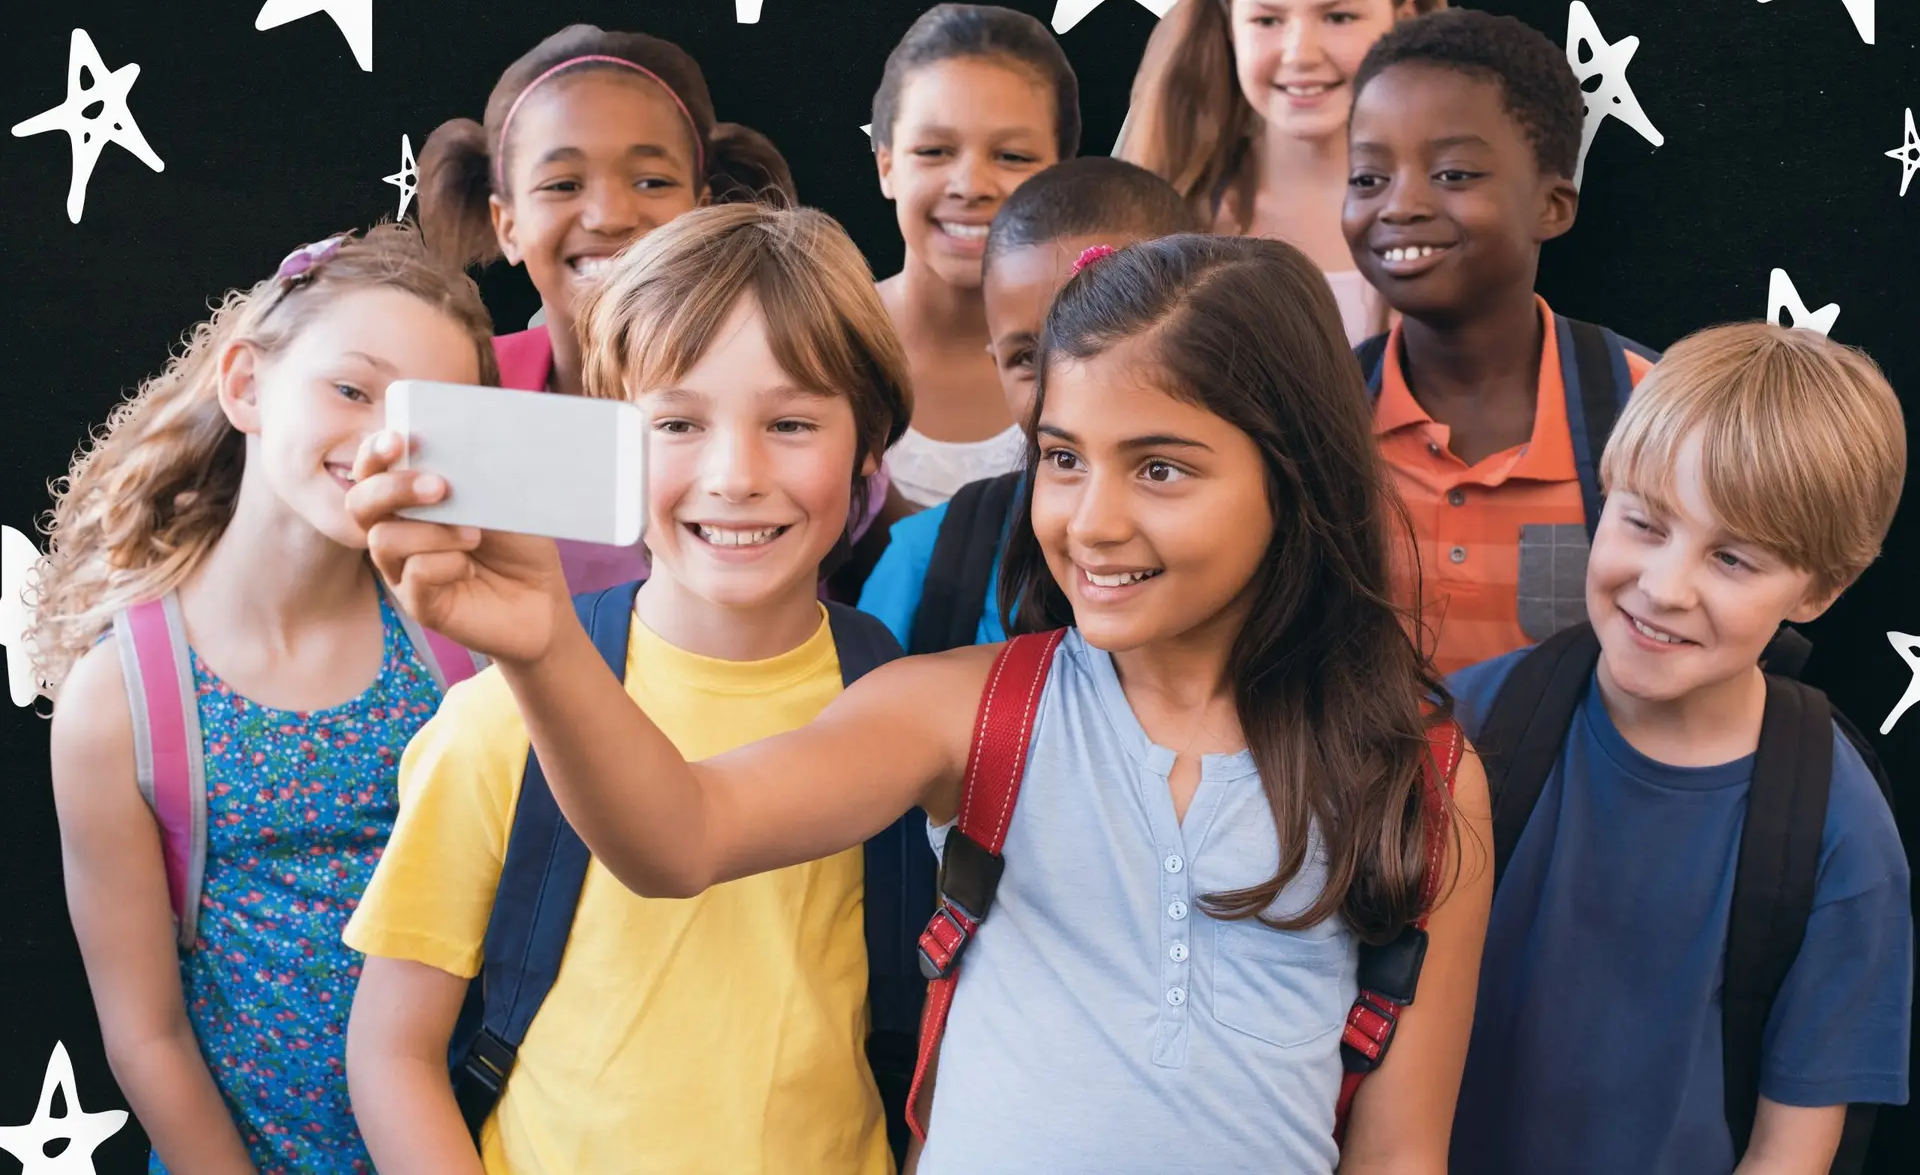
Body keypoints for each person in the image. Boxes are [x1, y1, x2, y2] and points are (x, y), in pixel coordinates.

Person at [347, 234, 1495, 1173]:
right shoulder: (962, 710)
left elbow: (1398, 1149)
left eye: (1160, 466)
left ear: (1293, 477)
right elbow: (678, 833)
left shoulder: (1423, 778)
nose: (1091, 518)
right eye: (1061, 457)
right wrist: (547, 647)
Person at [342, 204, 918, 1175]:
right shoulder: (496, 722)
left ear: (868, 445)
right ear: (612, 442)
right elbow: (392, 1048)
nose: (734, 474)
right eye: (679, 423)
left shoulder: (905, 716)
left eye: (790, 421)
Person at [30, 225, 498, 1174]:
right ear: (246, 385)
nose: (381, 438)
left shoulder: (462, 649)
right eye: (352, 389)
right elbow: (146, 1034)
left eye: (424, 412)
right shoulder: (119, 700)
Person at [1443, 322, 1912, 1175]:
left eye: (1732, 559)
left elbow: (1792, 1149)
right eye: (1645, 524)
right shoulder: (1463, 730)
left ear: (1821, 589)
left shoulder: (1838, 834)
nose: (1664, 587)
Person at [415, 22, 866, 595]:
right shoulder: (458, 398)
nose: (609, 216)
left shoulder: (813, 390)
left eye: (652, 181)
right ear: (507, 224)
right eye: (561, 185)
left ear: (704, 207)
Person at [1341, 7, 1658, 675]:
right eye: (1369, 178)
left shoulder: (1655, 416)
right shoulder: (1316, 418)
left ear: (1553, 205)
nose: (1400, 205)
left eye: (1453, 174)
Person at [859, 157, 1200, 653]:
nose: (1066, 384)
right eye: (1027, 357)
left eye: (1109, 339)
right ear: (993, 363)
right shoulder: (927, 561)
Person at [1120, 0, 1446, 344]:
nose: (1301, 54)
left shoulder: (1460, 212)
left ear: (1403, 18)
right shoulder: (1166, 216)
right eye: (1267, 19)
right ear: (1228, 25)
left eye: (1339, 16)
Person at [870, 3, 1079, 510]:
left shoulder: (1099, 356)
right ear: (887, 166)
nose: (970, 186)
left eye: (1012, 156)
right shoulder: (817, 341)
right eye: (934, 151)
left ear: (1059, 175)